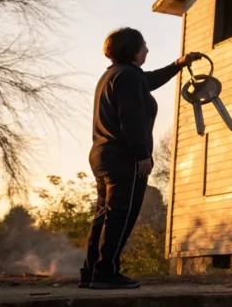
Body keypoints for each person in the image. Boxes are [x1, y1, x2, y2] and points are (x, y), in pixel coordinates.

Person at [81, 27, 203, 289]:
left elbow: (149, 81)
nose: (147, 49)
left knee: (104, 215)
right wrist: (142, 154)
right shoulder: (127, 77)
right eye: (144, 45)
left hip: (103, 156)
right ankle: (106, 273)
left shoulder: (115, 75)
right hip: (124, 157)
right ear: (133, 49)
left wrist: (179, 64)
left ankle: (92, 272)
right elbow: (131, 120)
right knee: (120, 216)